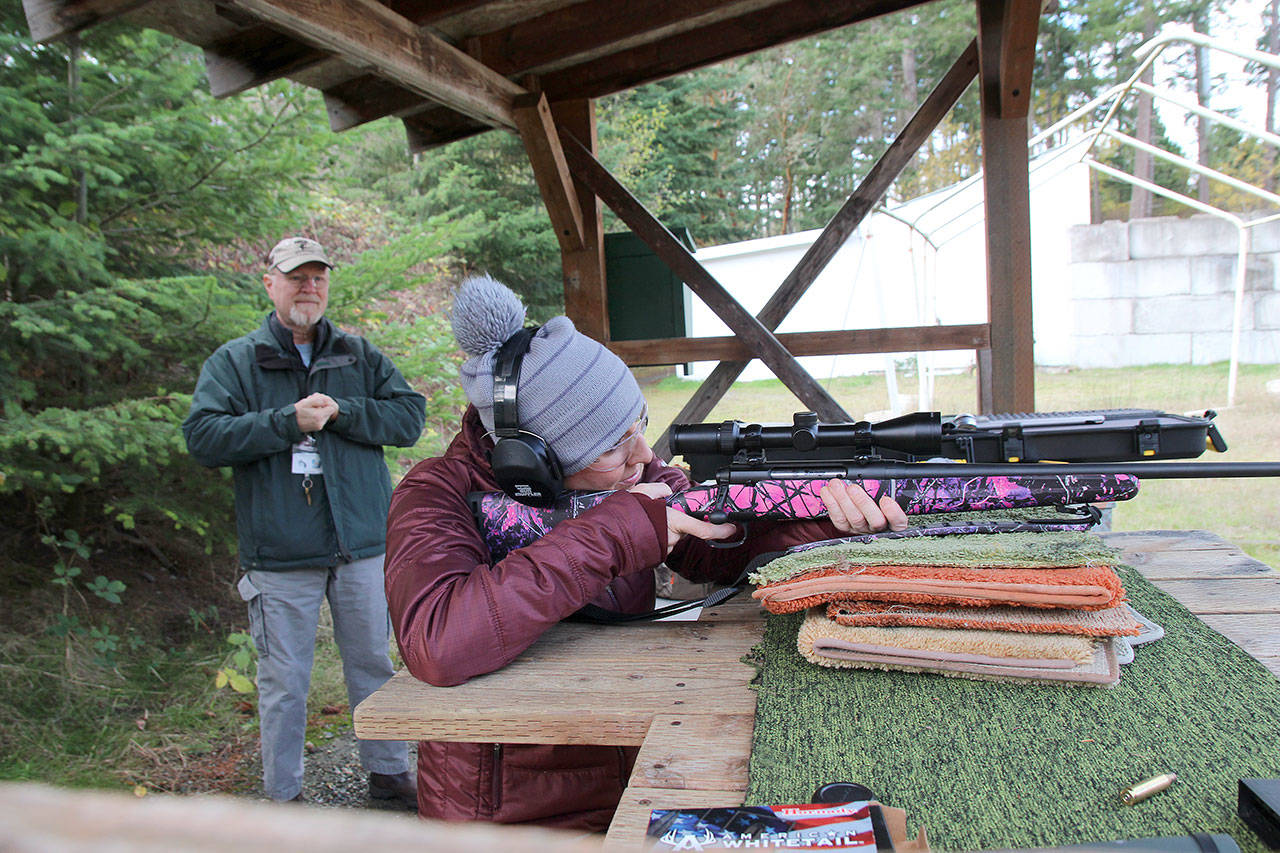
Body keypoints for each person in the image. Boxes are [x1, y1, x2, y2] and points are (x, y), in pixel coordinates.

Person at [383, 275, 907, 830]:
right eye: (613, 445)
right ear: (530, 460)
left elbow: (713, 551)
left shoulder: (634, 472)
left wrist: (813, 525)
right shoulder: (434, 491)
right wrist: (611, 535)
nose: (643, 455)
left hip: (636, 753)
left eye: (640, 426)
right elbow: (437, 641)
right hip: (506, 806)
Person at [182, 236, 426, 807]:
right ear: (270, 284)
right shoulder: (236, 362)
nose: (308, 288)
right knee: (284, 682)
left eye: (317, 277)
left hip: (362, 545)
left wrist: (344, 412)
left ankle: (389, 778)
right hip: (279, 552)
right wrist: (284, 422)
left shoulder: (359, 355)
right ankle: (283, 798)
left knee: (373, 662)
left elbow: (408, 418)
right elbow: (203, 437)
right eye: (296, 277)